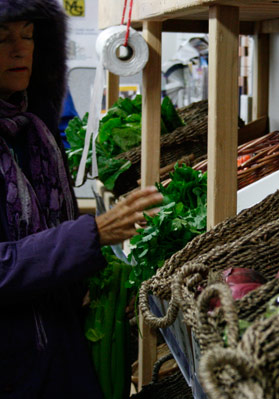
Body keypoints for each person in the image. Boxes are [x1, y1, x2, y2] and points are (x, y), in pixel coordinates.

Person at [0, 1, 164, 397]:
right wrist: (90, 235)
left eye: (28, 35)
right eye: (2, 37)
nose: (21, 50)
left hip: (61, 354)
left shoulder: (35, 134)